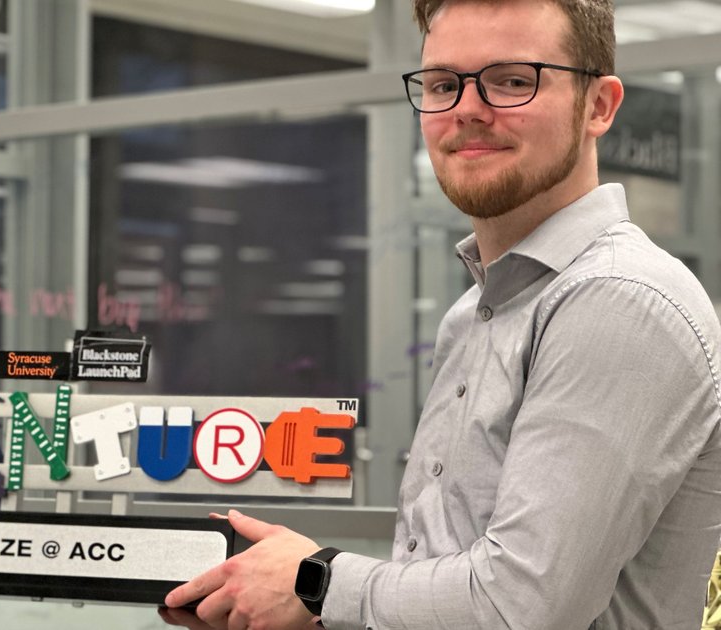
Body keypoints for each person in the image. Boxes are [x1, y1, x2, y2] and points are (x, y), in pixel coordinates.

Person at [163, 1, 721, 628]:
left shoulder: (619, 300)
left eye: (512, 80)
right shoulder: (473, 315)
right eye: (442, 84)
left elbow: (518, 607)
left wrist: (316, 582)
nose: (468, 109)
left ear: (599, 106)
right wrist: (302, 593)